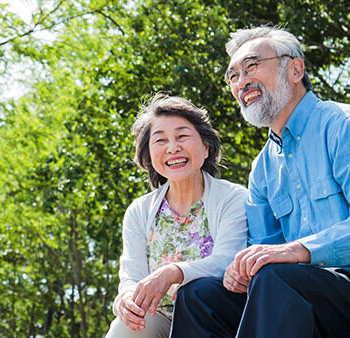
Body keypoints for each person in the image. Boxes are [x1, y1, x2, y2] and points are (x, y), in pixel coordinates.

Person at [170, 26, 350, 338]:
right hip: (304, 299)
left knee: (276, 278)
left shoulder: (347, 126)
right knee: (199, 297)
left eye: (252, 66)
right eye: (233, 75)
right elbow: (266, 249)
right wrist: (244, 272)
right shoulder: (263, 168)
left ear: (295, 69)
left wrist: (298, 250)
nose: (241, 82)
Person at [105, 94, 248, 338]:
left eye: (182, 136)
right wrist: (126, 300)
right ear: (149, 156)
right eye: (160, 140)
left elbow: (226, 260)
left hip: (215, 316)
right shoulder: (139, 211)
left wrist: (174, 272)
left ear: (205, 148)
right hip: (160, 319)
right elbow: (130, 276)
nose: (173, 148)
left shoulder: (234, 198)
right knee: (125, 328)